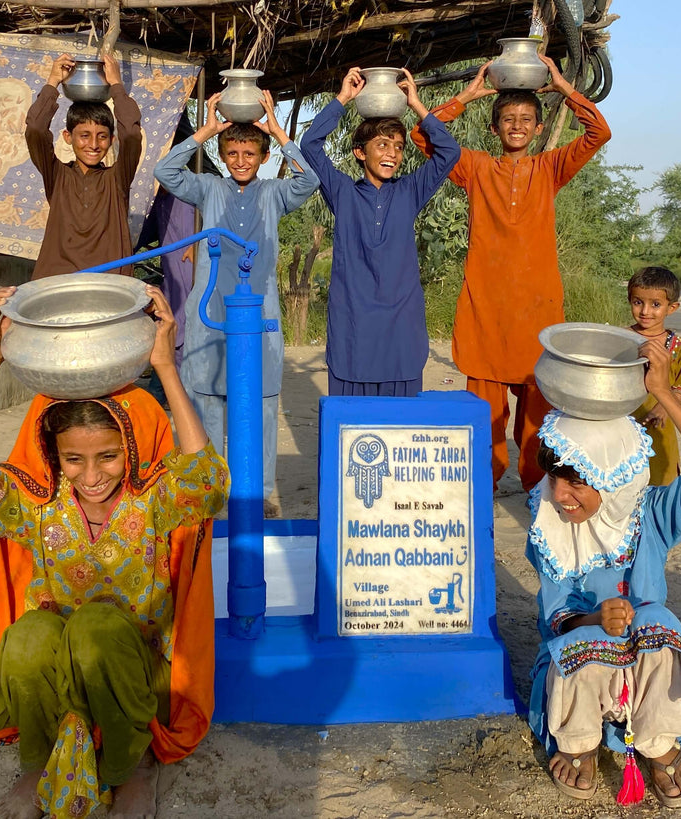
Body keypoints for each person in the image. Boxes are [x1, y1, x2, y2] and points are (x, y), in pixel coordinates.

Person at [0, 285, 229, 819]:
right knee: (27, 637)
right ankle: (36, 765)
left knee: (96, 628)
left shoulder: (154, 498)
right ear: (54, 455)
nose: (92, 477)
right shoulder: (38, 505)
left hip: (132, 679)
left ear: (129, 450)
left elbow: (207, 484)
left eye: (108, 457)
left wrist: (166, 367)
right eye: (73, 460)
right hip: (58, 675)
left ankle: (131, 768)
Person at [411, 58, 612, 492]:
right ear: (494, 128)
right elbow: (423, 137)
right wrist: (467, 96)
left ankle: (537, 485)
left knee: (539, 410)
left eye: (525, 120)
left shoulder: (549, 169)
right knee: (484, 412)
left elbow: (599, 134)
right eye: (507, 119)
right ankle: (483, 484)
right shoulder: (476, 167)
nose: (517, 126)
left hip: (537, 310)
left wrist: (562, 88)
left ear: (539, 129)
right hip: (487, 307)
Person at [527, 339, 681, 807]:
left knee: (659, 625)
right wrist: (595, 619)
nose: (560, 495)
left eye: (577, 481)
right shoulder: (551, 525)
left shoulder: (650, 513)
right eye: (555, 479)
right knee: (581, 646)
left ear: (615, 478)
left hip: (644, 668)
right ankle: (578, 743)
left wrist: (663, 393)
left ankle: (659, 745)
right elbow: (556, 616)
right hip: (583, 672)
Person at [153, 89, 318, 516]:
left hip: (260, 316)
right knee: (206, 398)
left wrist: (278, 132)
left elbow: (309, 181)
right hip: (210, 314)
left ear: (262, 157)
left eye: (249, 152)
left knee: (260, 402)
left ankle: (257, 493)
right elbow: (165, 171)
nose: (240, 160)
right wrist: (205, 131)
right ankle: (209, 486)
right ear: (222, 154)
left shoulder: (273, 194)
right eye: (232, 152)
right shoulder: (208, 188)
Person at [299, 66, 460, 398]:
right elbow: (311, 145)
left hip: (401, 329)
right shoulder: (343, 192)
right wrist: (343, 98)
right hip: (353, 327)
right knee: (351, 433)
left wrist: (416, 104)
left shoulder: (409, 191)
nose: (392, 153)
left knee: (398, 430)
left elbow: (449, 152)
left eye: (399, 147)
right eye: (383, 144)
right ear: (360, 152)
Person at [26, 52, 142, 279]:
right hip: (57, 283)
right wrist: (52, 82)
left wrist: (116, 85)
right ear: (67, 137)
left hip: (110, 285)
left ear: (112, 140)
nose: (93, 144)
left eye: (102, 136)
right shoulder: (57, 176)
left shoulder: (117, 179)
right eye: (84, 135)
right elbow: (35, 129)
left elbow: (131, 134)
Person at [627, 266, 681, 485]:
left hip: (659, 428)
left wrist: (662, 407)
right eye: (638, 302)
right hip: (623, 422)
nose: (645, 311)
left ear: (672, 308)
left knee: (658, 479)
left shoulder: (677, 347)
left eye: (656, 304)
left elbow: (680, 385)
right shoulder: (620, 338)